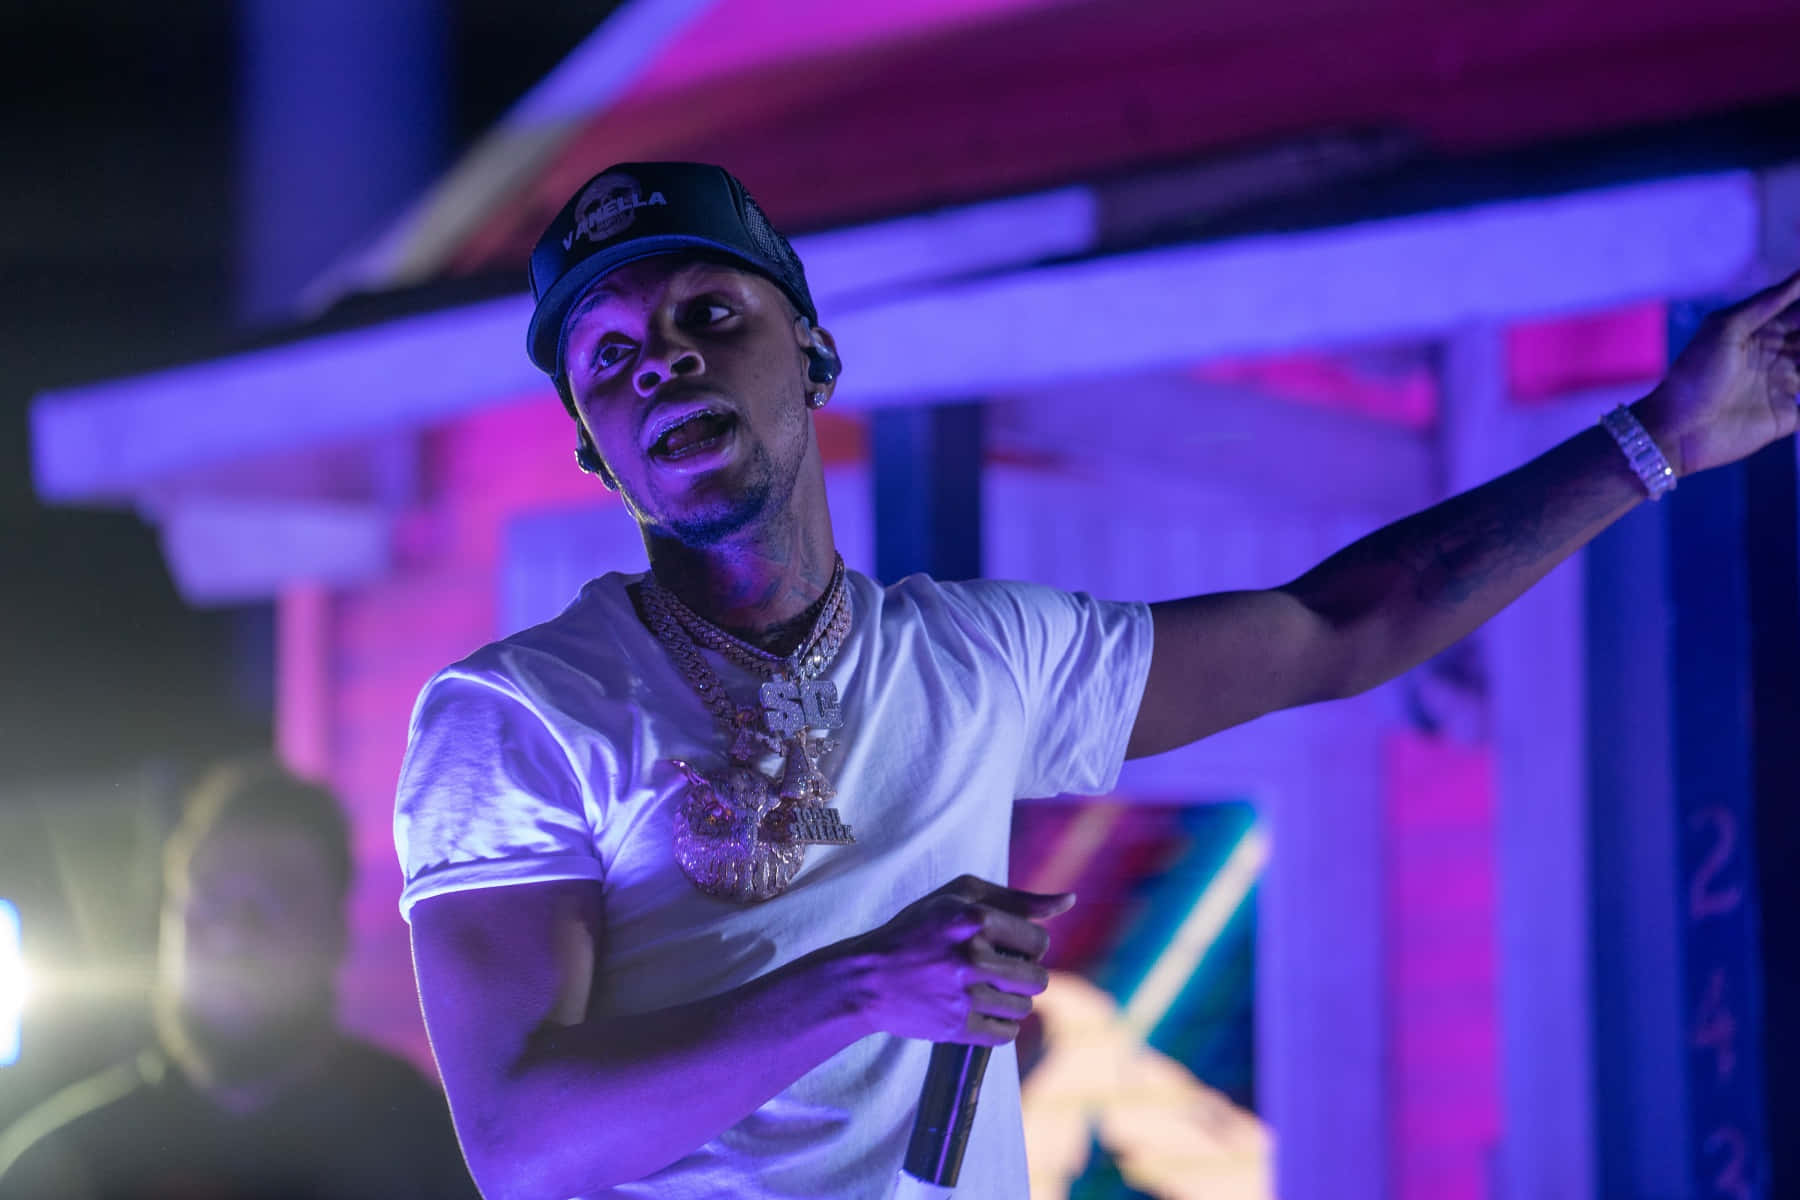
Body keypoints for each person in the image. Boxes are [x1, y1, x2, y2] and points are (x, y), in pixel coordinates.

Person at [394, 161, 1800, 1199]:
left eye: (710, 313)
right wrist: (865, 985)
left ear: (813, 353)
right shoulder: (516, 715)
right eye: (612, 358)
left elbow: (1338, 629)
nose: (665, 364)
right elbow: (521, 1147)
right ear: (590, 444)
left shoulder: (979, 658)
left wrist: (1661, 438)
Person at [0, 758, 479, 1200]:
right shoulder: (55, 1170)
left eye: (275, 898)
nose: (233, 933)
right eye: (208, 896)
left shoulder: (440, 1150)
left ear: (336, 934)